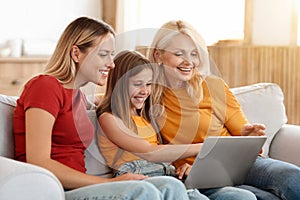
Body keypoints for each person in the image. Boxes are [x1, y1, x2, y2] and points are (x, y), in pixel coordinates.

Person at [13, 16, 194, 200]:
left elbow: (110, 98)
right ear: (76, 54)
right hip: (57, 190)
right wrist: (110, 184)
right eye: (103, 54)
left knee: (171, 186)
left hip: (81, 187)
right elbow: (39, 161)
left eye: (112, 55)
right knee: (144, 191)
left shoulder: (78, 97)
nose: (111, 63)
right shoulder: (45, 86)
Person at [147, 20, 300, 200]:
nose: (189, 61)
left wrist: (249, 133)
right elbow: (150, 150)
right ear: (158, 55)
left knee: (292, 177)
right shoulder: (147, 95)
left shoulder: (213, 86)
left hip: (238, 163)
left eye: (194, 53)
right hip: (199, 176)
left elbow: (242, 132)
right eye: (179, 53)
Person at [97, 50, 209, 200]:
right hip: (138, 178)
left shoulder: (145, 117)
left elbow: (160, 158)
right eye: (137, 84)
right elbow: (150, 152)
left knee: (237, 194)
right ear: (119, 84)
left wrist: (180, 169)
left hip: (166, 172)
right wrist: (202, 147)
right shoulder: (109, 118)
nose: (145, 91)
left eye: (149, 84)